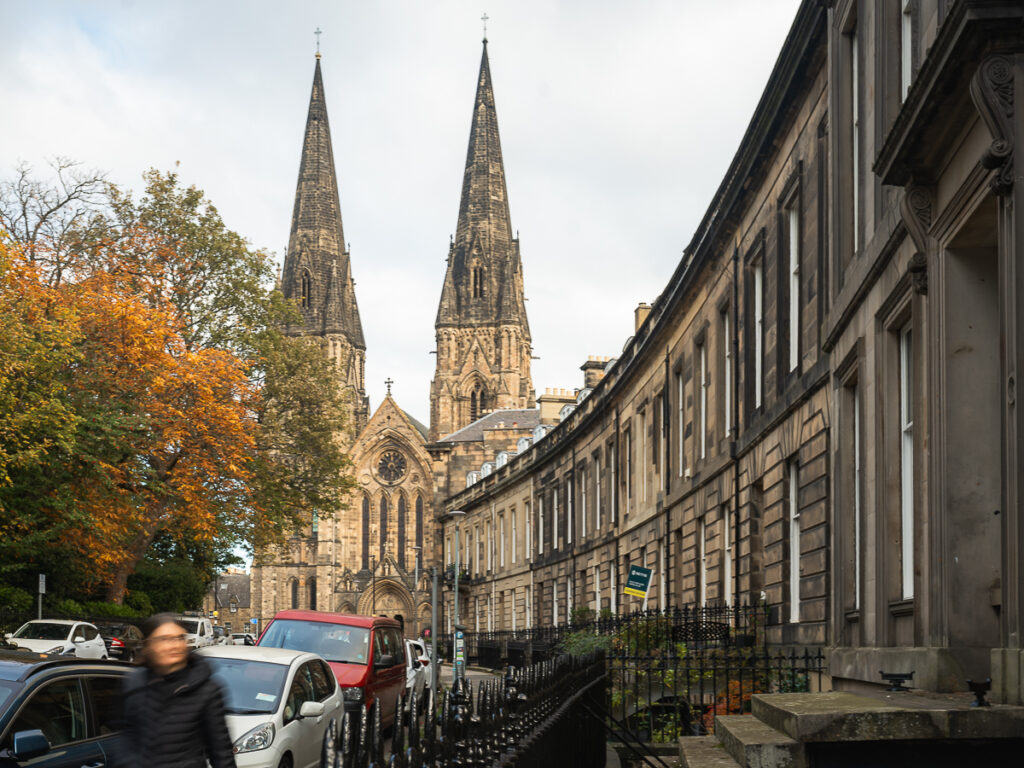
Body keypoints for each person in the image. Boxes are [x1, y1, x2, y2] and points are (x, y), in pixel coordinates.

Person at [115, 613, 236, 768]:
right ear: (149, 646)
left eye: (179, 638)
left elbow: (222, 754)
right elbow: (126, 742)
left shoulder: (207, 689)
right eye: (164, 639)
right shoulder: (134, 683)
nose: (174, 645)